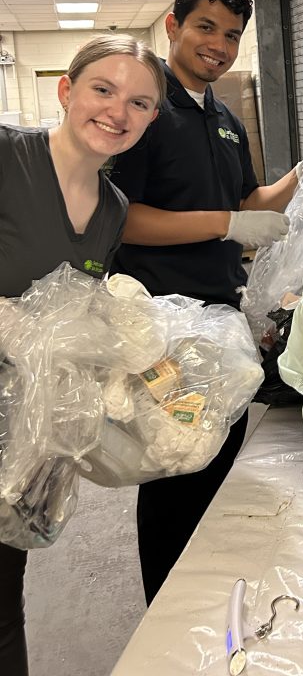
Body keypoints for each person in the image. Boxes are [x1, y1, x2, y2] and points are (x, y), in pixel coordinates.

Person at [109, 0, 303, 604]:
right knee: (176, 466)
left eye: (231, 36)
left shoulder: (222, 116)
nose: (219, 46)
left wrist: (301, 179)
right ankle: (166, 611)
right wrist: (229, 223)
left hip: (217, 321)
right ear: (172, 26)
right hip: (162, 328)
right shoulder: (144, 109)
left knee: (214, 461)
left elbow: (245, 200)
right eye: (205, 28)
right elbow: (120, 214)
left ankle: (198, 608)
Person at [0, 34, 166, 676]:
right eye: (104, 89)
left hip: (26, 435)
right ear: (67, 91)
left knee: (2, 597)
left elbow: (79, 314)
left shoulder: (113, 210)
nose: (118, 112)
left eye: (141, 103)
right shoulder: (8, 157)